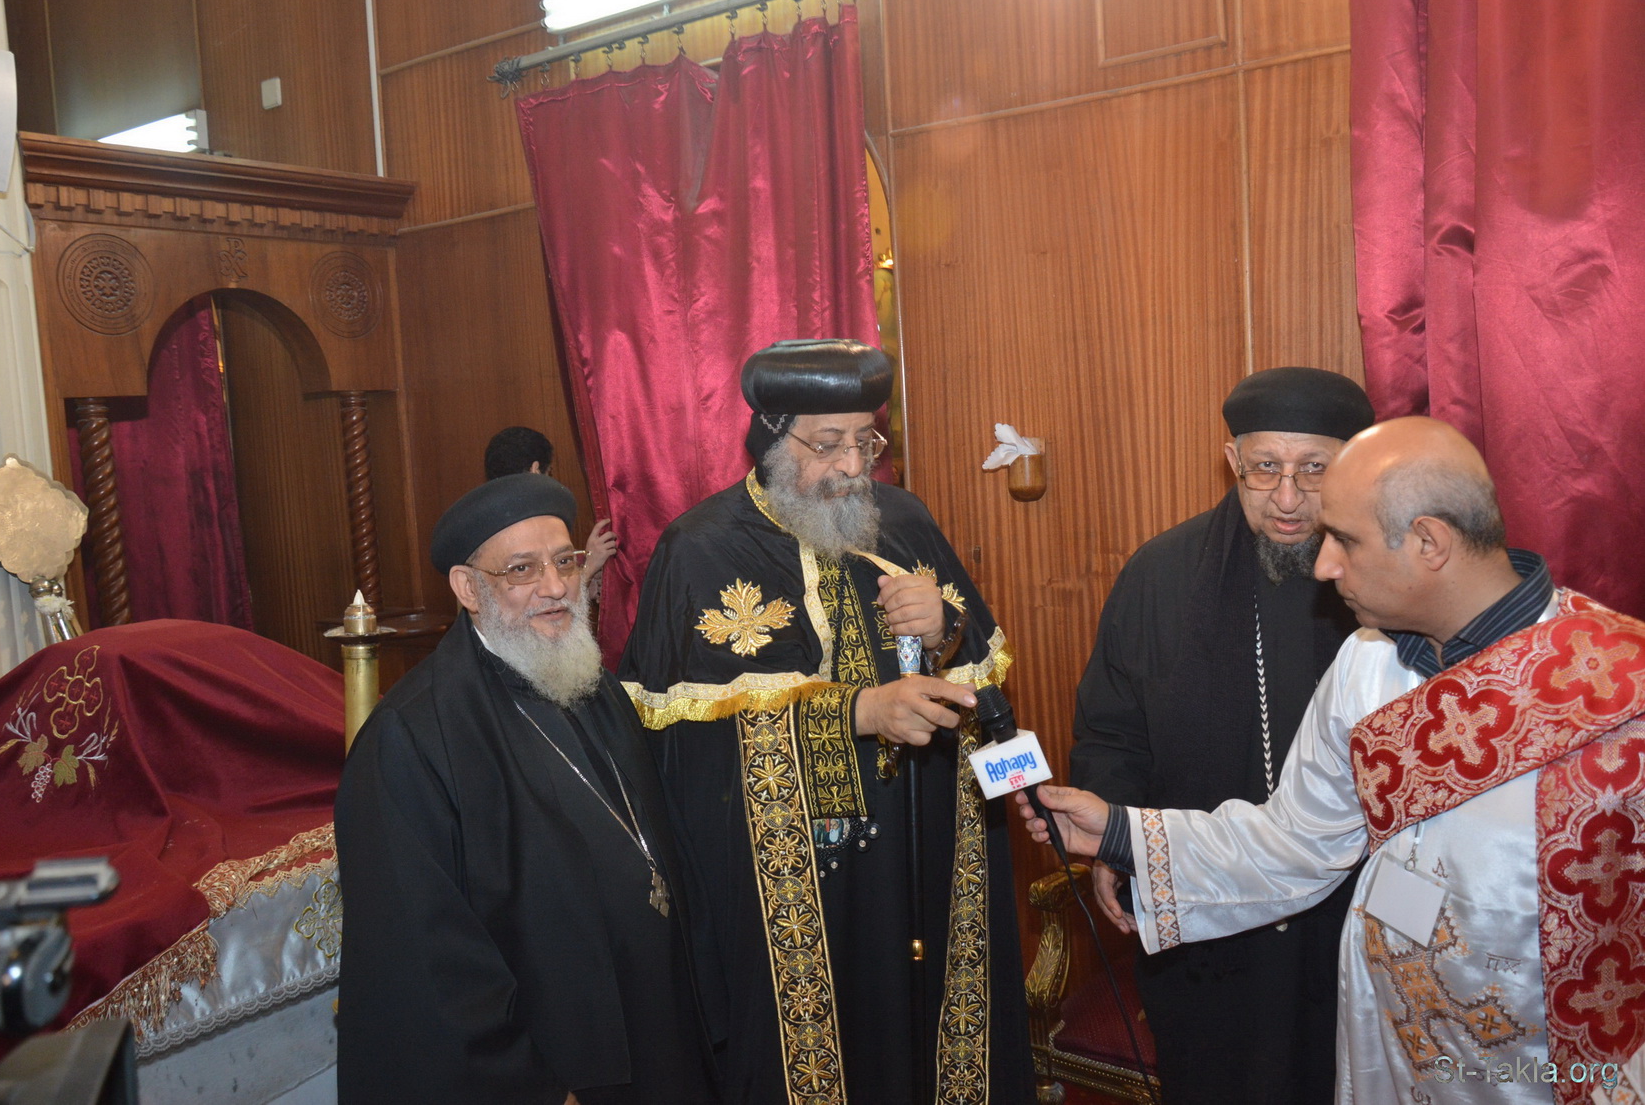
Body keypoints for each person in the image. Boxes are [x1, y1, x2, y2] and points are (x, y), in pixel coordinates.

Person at [1022, 417, 1645, 1104]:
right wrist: (1115, 830)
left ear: (1429, 541)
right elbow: (1295, 840)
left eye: (1344, 539)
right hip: (1391, 1049)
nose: (1322, 566)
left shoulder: (1624, 691)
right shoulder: (1367, 664)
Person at [620, 339, 1034, 1105]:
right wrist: (861, 712)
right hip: (788, 891)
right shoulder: (699, 549)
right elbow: (682, 755)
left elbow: (984, 690)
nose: (851, 466)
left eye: (865, 442)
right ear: (771, 440)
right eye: (827, 443)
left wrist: (945, 631)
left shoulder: (902, 521)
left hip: (913, 852)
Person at [335, 472, 719, 1104]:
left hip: (661, 1035)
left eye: (565, 561)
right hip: (555, 1071)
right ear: (468, 588)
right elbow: (426, 963)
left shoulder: (594, 686)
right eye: (521, 570)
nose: (556, 586)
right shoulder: (411, 738)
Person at [1070, 365, 1374, 1103]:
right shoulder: (1159, 576)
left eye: (1314, 470)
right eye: (1265, 468)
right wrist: (1115, 839)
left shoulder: (1383, 578)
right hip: (1207, 913)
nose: (1287, 498)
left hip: (1348, 909)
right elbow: (1112, 729)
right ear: (1233, 459)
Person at [485, 425, 618, 581]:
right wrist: (590, 566)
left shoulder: (488, 520)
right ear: (535, 470)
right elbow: (545, 590)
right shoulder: (526, 525)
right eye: (549, 472)